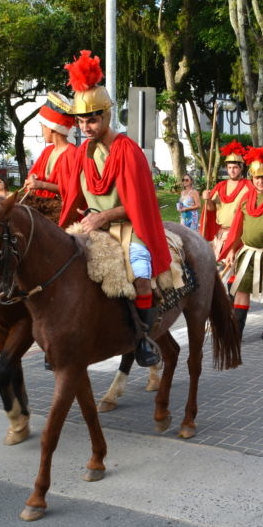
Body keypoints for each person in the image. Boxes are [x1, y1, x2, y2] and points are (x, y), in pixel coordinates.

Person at [57, 50, 170, 367]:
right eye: (81, 120)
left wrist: (105, 215)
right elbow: (72, 196)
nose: (86, 126)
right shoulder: (82, 153)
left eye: (92, 119)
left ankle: (144, 341)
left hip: (128, 227)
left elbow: (139, 204)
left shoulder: (128, 150)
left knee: (141, 273)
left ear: (106, 116)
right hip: (90, 227)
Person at [218, 147, 263, 341]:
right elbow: (237, 227)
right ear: (252, 179)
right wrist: (231, 250)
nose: (261, 181)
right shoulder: (246, 199)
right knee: (241, 290)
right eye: (257, 178)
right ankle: (237, 330)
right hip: (247, 253)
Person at [22, 94, 76, 222]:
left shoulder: (73, 154)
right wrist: (32, 179)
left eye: (43, 127)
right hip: (40, 211)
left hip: (59, 215)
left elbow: (72, 190)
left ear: (51, 128)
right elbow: (34, 173)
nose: (42, 131)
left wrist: (41, 184)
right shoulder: (47, 151)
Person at [201, 141, 253, 262]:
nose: (232, 171)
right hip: (220, 233)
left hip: (238, 235)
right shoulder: (220, 186)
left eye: (235, 167)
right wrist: (207, 199)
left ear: (241, 168)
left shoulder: (248, 186)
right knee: (218, 268)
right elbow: (211, 209)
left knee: (234, 269)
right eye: (229, 168)